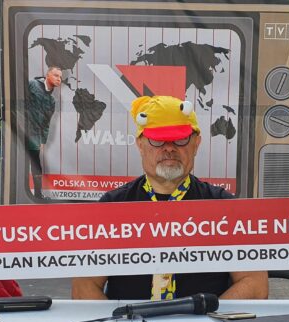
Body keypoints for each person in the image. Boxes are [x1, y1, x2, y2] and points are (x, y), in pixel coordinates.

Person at [72, 95, 268, 300]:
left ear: (196, 144)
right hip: (127, 319)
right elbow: (85, 284)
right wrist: (120, 319)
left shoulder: (224, 207)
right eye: (157, 140)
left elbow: (255, 283)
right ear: (140, 144)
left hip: (204, 319)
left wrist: (210, 318)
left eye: (180, 139)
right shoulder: (112, 207)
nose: (169, 148)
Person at [26, 66, 62, 199]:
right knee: (17, 161)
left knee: (36, 164)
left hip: (35, 136)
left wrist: (43, 141)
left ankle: (38, 194)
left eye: (60, 77)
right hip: (20, 131)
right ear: (47, 75)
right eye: (56, 75)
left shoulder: (51, 101)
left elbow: (46, 123)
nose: (59, 79)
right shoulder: (32, 84)